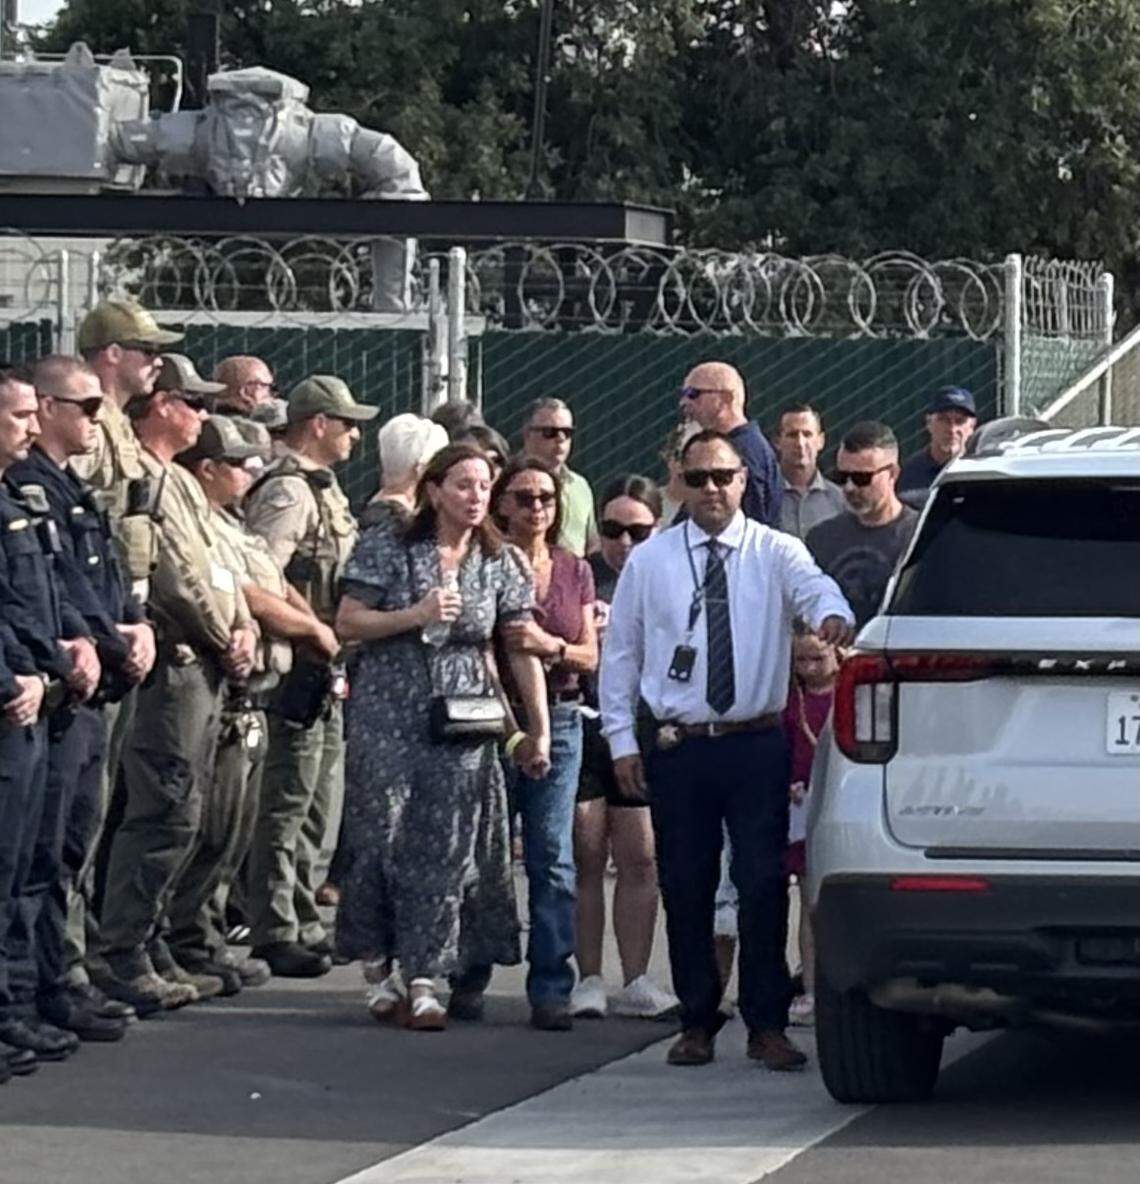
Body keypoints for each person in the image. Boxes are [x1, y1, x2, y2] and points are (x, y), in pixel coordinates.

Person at [599, 429, 853, 1070]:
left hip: (755, 742)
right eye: (700, 478)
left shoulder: (775, 550)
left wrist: (832, 615)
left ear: (745, 479)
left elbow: (816, 586)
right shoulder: (651, 562)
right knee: (687, 885)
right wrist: (621, 740)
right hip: (679, 745)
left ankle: (766, 1022)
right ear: (680, 482)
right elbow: (621, 656)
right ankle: (697, 1019)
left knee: (763, 884)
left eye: (725, 476)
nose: (713, 489)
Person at [334, 444, 551, 1029]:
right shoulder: (392, 546)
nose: (475, 496)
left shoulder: (499, 561)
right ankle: (377, 965)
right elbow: (349, 622)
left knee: (445, 847)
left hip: (460, 721)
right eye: (462, 485)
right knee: (379, 836)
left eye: (484, 486)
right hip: (389, 711)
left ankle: (427, 977)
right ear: (434, 491)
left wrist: (535, 728)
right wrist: (416, 615)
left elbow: (515, 646)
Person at [96, 356, 258, 1013]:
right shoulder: (149, 479)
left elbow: (220, 567)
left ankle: (152, 939)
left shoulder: (181, 486)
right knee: (164, 809)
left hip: (213, 658)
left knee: (193, 814)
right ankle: (121, 950)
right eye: (190, 401)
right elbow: (173, 582)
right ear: (160, 405)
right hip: (179, 664)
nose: (201, 413)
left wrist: (242, 627)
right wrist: (226, 636)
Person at [8, 356, 154, 1043]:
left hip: (77, 688)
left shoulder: (64, 491)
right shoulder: (29, 492)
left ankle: (47, 986)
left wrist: (131, 629)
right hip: (48, 691)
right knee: (32, 858)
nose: (97, 420)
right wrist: (69, 652)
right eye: (85, 407)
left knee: (64, 848)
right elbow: (42, 599)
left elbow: (100, 580)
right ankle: (28, 995)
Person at [166, 416, 333, 992]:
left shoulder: (234, 527)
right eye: (240, 464)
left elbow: (272, 581)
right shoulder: (199, 526)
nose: (252, 473)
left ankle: (202, 936)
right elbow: (247, 595)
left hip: (255, 692)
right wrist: (313, 632)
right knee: (200, 823)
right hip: (223, 687)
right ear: (207, 469)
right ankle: (181, 937)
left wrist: (307, 622)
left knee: (230, 831)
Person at [243, 376, 376, 978]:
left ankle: (299, 913)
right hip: (298, 660)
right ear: (316, 424)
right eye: (345, 422)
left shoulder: (324, 490)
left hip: (326, 664)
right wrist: (309, 627)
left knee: (317, 800)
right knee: (288, 797)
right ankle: (275, 923)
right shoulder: (291, 492)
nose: (354, 434)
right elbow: (262, 572)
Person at [0, 366, 100, 1072]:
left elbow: (39, 602)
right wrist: (20, 675)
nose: (30, 429)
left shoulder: (15, 499)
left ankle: (16, 1003)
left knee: (31, 864)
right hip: (14, 698)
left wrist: (57, 660)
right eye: (17, 416)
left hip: (36, 692)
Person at [493, 456, 599, 1030]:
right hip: (493, 719)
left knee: (552, 855)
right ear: (503, 505)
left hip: (560, 718)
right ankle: (468, 970)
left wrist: (546, 644)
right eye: (525, 497)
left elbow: (588, 654)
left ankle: (552, 984)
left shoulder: (573, 570)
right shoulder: (488, 562)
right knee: (484, 854)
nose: (537, 507)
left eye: (546, 498)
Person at [570, 475, 678, 1021]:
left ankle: (636, 977)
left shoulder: (668, 575)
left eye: (638, 530)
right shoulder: (580, 576)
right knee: (587, 853)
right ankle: (588, 976)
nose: (625, 543)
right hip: (586, 725)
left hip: (642, 725)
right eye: (613, 530)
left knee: (640, 855)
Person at [806, 421, 920, 628]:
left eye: (862, 478)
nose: (849, 487)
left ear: (892, 473)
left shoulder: (920, 536)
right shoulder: (821, 538)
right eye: (841, 476)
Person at [782, 624, 840, 1028]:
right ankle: (810, 987)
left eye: (818, 658)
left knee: (828, 898)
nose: (809, 667)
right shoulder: (792, 701)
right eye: (801, 659)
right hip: (800, 806)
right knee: (807, 899)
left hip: (837, 801)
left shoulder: (846, 695)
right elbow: (781, 747)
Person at [677, 362, 782, 527]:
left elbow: (752, 523)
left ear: (726, 398)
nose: (684, 402)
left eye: (693, 393)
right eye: (683, 394)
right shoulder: (746, 446)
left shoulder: (743, 452)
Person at [520, 397, 597, 557]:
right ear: (527, 435)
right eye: (550, 432)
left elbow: (592, 544)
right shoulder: (510, 482)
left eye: (567, 433)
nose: (560, 439)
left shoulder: (580, 486)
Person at [772, 403, 846, 539]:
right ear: (777, 442)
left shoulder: (840, 501)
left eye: (807, 434)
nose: (800, 443)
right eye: (792, 435)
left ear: (820, 441)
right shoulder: (764, 497)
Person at [896, 386, 978, 499]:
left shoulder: (981, 472)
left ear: (972, 426)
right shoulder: (908, 474)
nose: (952, 429)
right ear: (928, 422)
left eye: (960, 421)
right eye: (944, 420)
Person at [659, 421, 701, 526]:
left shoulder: (707, 507)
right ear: (669, 458)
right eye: (679, 456)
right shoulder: (648, 503)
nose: (683, 465)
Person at [210, 356, 277, 414]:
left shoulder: (206, 424)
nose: (270, 393)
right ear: (244, 392)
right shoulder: (251, 428)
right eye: (264, 385)